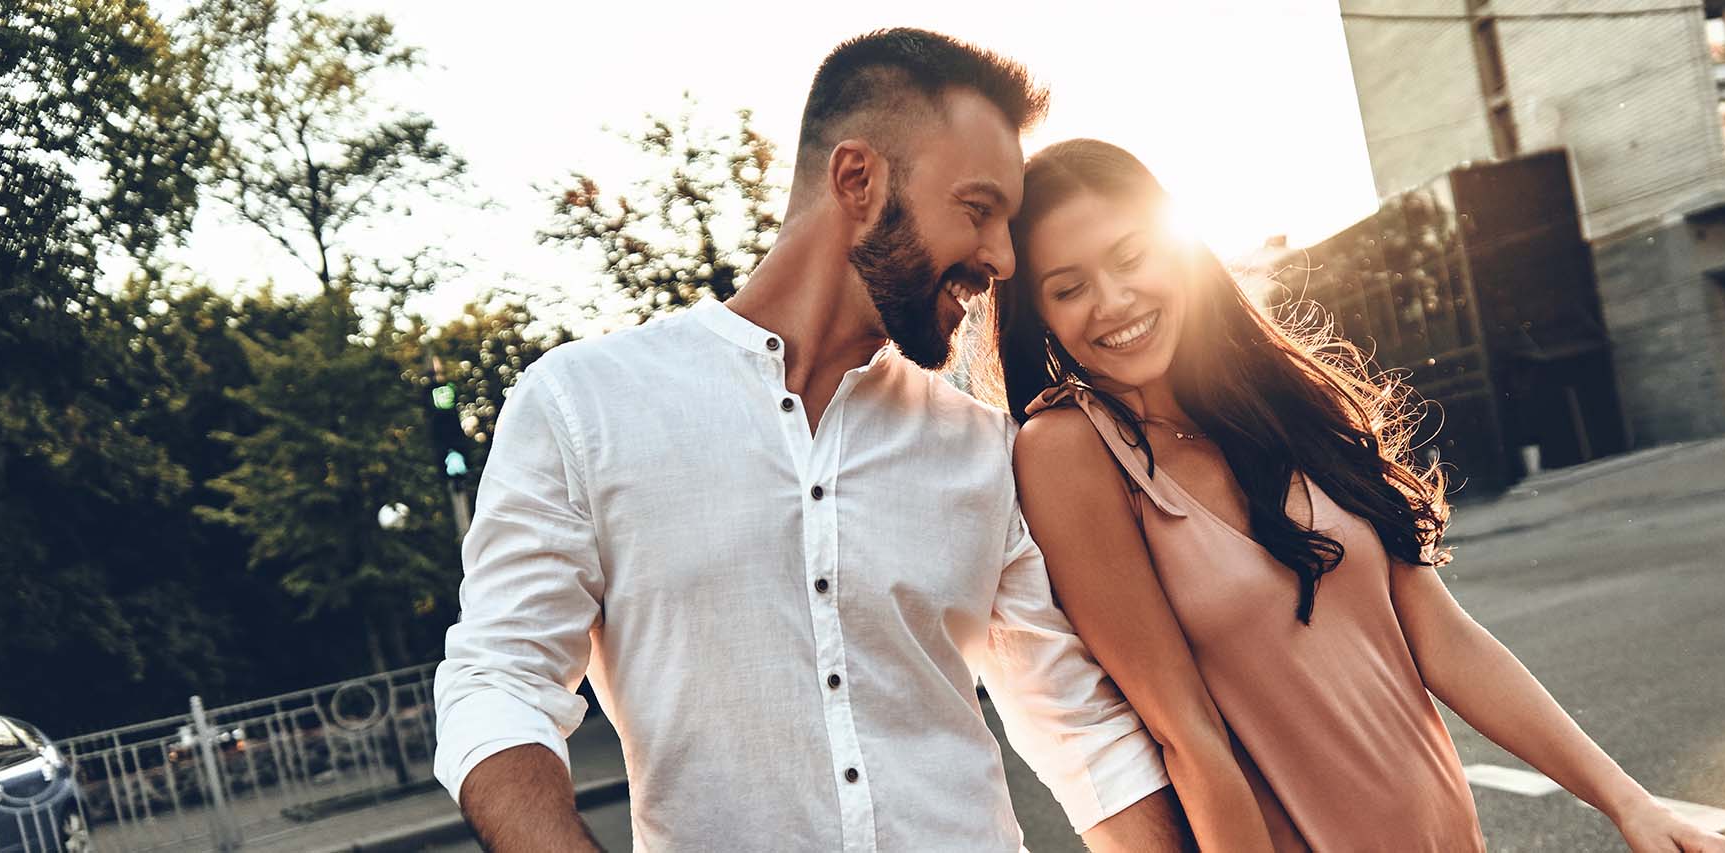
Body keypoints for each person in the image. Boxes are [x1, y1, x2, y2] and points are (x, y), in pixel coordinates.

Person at [433, 33, 1186, 852]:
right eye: (977, 211)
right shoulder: (583, 406)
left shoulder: (980, 446)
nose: (1002, 258)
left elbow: (1084, 733)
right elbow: (499, 680)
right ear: (856, 180)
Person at [987, 138, 1725, 853]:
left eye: (1130, 257)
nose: (1113, 301)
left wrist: (1628, 801)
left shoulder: (1281, 407)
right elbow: (1185, 734)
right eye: (1069, 287)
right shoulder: (1068, 450)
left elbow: (1444, 641)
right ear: (1039, 312)